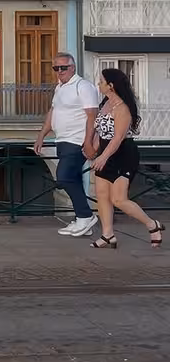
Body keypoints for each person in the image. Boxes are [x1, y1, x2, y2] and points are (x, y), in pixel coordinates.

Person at [89, 67, 162, 249]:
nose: (99, 84)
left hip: (123, 154)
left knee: (119, 199)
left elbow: (118, 138)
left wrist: (103, 157)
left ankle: (152, 225)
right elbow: (101, 131)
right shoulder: (105, 103)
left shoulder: (123, 108)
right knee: (102, 195)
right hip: (106, 152)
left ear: (111, 85)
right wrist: (94, 149)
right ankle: (108, 235)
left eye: (101, 82)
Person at [34, 52, 99, 237]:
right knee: (74, 179)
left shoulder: (83, 86)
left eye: (64, 67)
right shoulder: (60, 88)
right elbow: (53, 112)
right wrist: (41, 136)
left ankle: (86, 216)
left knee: (63, 178)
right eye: (56, 68)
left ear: (73, 67)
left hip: (76, 141)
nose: (60, 71)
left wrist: (88, 142)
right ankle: (82, 221)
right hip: (62, 140)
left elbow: (92, 115)